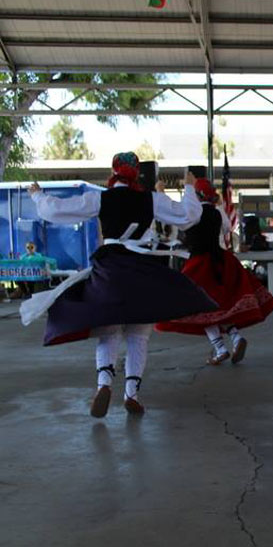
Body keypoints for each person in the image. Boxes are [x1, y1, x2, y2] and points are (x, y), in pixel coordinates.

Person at [21, 152, 217, 417]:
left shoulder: (101, 197)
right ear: (137, 173)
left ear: (112, 173)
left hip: (110, 270)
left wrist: (37, 195)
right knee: (139, 333)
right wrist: (190, 186)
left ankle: (104, 384)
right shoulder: (150, 199)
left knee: (108, 328)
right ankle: (132, 393)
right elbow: (188, 216)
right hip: (141, 268)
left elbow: (55, 209)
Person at [156, 178, 273, 365]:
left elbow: (174, 217)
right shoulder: (216, 212)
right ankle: (235, 338)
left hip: (199, 264)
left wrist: (161, 193)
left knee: (200, 308)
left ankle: (221, 348)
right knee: (219, 307)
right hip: (221, 261)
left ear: (196, 195)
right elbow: (228, 228)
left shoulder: (192, 214)